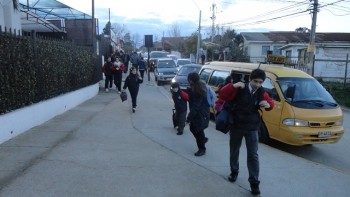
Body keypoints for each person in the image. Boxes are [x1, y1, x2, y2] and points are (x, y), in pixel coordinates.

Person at [219, 69, 275, 196]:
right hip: (237, 125)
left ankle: (254, 183)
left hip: (252, 127)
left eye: (260, 82)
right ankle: (234, 171)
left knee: (253, 155)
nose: (257, 84)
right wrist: (232, 86)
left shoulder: (261, 92)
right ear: (250, 79)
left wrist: (268, 105)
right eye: (255, 81)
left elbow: (270, 103)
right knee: (234, 150)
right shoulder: (240, 87)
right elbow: (222, 95)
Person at [185, 72, 210, 157]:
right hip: (200, 113)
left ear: (191, 80)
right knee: (193, 129)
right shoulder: (198, 86)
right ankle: (203, 140)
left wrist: (188, 118)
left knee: (198, 130)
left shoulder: (198, 90)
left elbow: (196, 106)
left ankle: (202, 149)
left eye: (188, 79)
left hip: (200, 114)